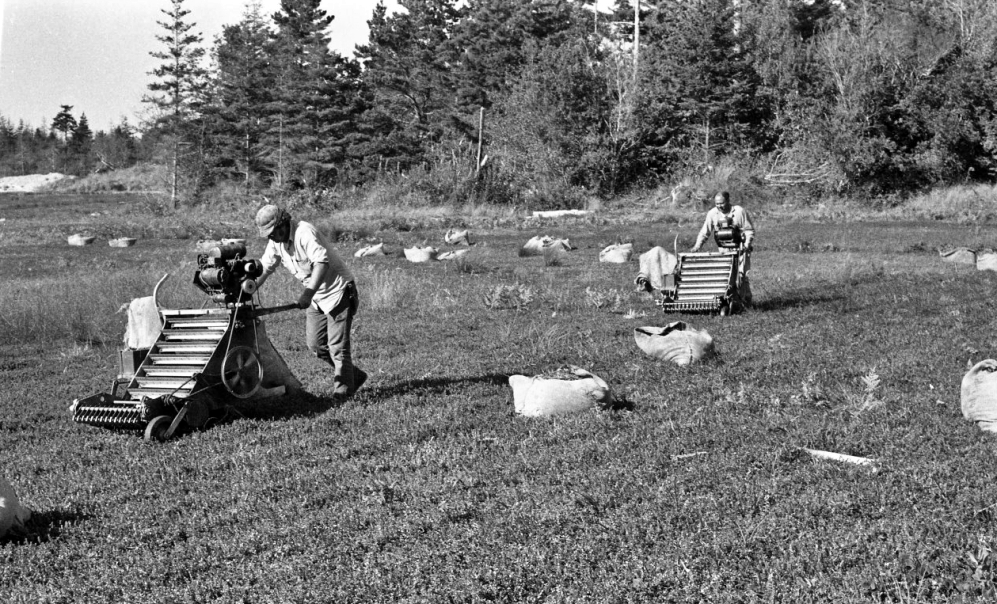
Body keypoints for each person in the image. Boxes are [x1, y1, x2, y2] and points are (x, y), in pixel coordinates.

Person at [253, 204, 366, 399]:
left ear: (283, 224)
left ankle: (343, 393)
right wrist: (249, 287)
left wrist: (307, 293)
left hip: (338, 292)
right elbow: (266, 266)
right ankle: (354, 375)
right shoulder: (276, 242)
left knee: (338, 347)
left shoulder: (304, 232)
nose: (270, 238)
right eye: (268, 235)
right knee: (316, 346)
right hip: (317, 298)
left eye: (272, 233)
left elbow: (322, 263)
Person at [690, 191, 755, 305]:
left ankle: (746, 302)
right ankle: (730, 302)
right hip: (724, 252)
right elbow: (705, 232)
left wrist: (747, 245)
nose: (719, 206)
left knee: (742, 277)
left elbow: (749, 230)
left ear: (728, 201)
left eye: (722, 203)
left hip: (740, 250)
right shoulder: (712, 214)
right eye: (717, 203)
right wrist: (697, 246)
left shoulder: (739, 211)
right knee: (727, 277)